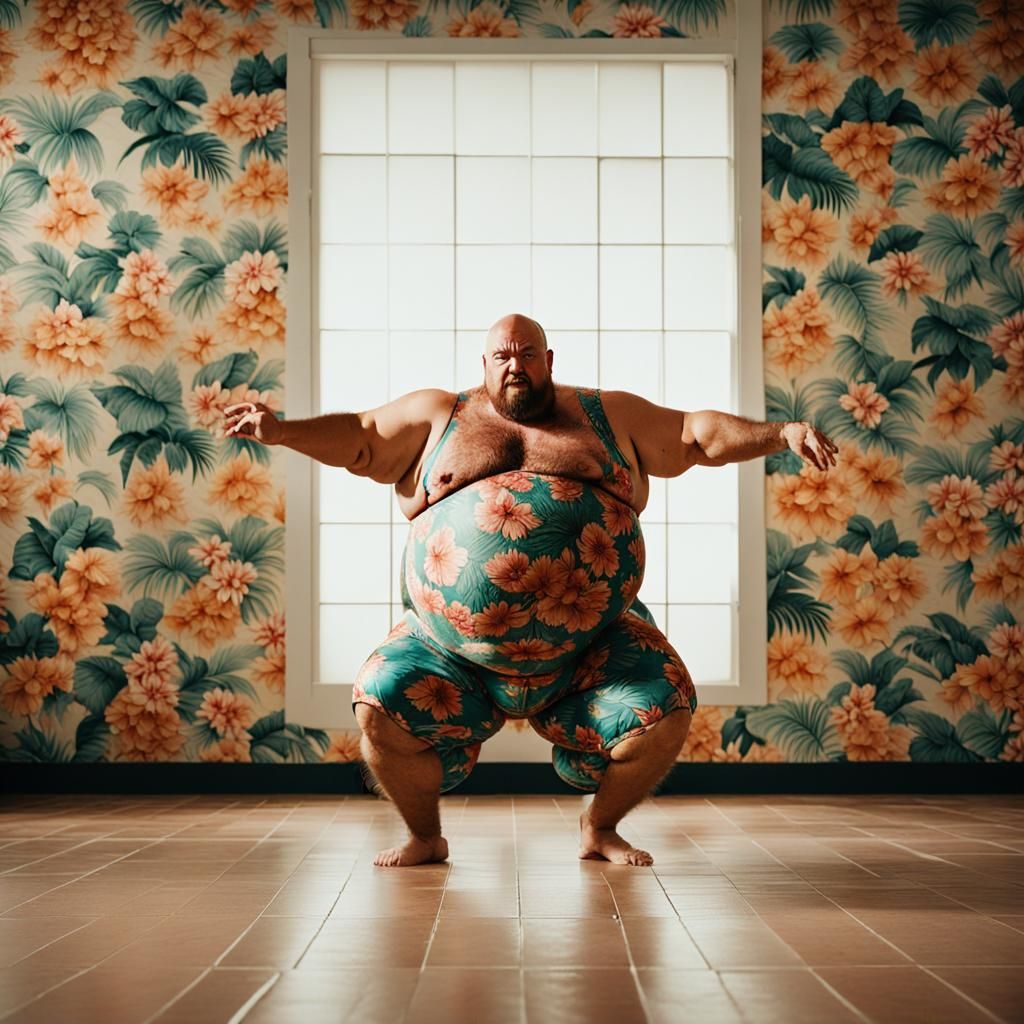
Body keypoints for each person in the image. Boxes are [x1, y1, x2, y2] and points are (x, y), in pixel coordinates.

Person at [226, 313, 838, 868]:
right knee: (378, 704)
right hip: (449, 651)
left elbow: (695, 435)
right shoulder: (439, 415)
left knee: (668, 707)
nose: (515, 365)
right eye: (502, 356)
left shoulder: (606, 415)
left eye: (528, 354)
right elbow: (359, 436)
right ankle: (424, 837)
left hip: (590, 652)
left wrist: (780, 433)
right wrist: (281, 431)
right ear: (484, 365)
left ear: (550, 359)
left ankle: (600, 827)